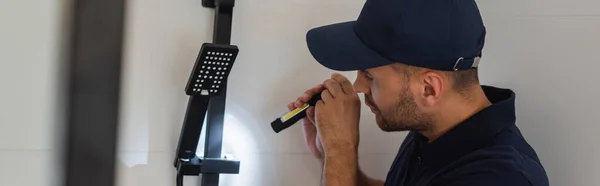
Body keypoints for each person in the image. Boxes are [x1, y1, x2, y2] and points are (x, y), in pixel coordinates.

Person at [287, 0, 549, 185]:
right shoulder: (433, 128)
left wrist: (340, 148)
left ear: (428, 88)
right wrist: (332, 158)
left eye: (369, 75)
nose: (358, 87)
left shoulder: (498, 178)